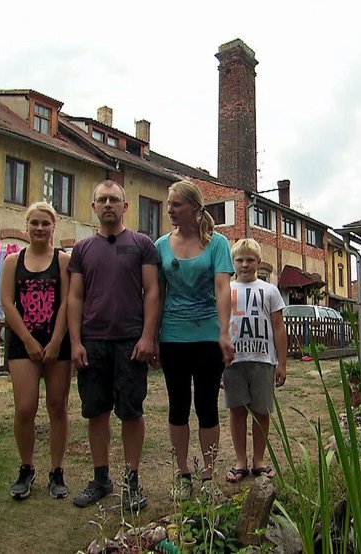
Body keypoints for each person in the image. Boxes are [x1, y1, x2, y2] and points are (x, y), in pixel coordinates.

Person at [67, 180, 160, 511]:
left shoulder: (141, 244)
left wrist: (148, 337)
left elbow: (152, 292)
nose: (108, 204)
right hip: (93, 342)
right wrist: (76, 341)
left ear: (126, 206)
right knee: (96, 411)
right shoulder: (82, 250)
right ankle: (101, 478)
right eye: (102, 199)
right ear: (93, 206)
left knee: (131, 412)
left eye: (114, 199)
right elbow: (75, 297)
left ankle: (132, 481)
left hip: (131, 343)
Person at [155, 180, 235, 499]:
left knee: (206, 406)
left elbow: (222, 290)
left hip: (207, 337)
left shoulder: (217, 243)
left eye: (176, 204)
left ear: (195, 208)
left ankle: (207, 476)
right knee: (177, 406)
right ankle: (183, 475)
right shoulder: (161, 245)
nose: (170, 209)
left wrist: (225, 333)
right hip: (172, 337)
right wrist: (152, 335)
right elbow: (158, 294)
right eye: (169, 203)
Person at [0, 201, 72, 500]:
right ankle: (27, 467)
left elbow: (69, 302)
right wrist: (29, 341)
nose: (40, 228)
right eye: (35, 223)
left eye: (45, 223)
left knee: (57, 407)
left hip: (58, 343)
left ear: (54, 226)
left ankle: (56, 471)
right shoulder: (12, 262)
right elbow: (7, 302)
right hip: (22, 344)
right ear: (26, 227)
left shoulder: (64, 261)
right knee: (25, 408)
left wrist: (55, 341)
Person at [223, 238, 287, 483]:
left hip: (263, 360)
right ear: (233, 262)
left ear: (259, 262)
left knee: (261, 411)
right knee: (237, 411)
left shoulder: (270, 290)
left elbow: (279, 328)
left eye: (250, 260)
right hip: (233, 361)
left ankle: (258, 460)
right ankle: (241, 461)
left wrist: (281, 363)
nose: (245, 264)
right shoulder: (226, 289)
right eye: (240, 260)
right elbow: (220, 325)